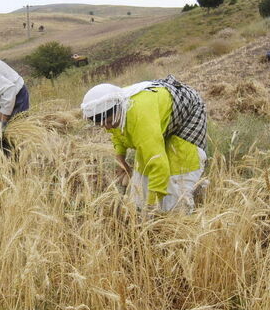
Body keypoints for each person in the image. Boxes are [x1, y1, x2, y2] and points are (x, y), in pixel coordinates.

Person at [81, 75, 207, 213]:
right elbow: (117, 131)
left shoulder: (140, 118)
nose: (107, 127)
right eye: (102, 124)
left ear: (120, 110)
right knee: (144, 168)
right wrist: (120, 155)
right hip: (155, 109)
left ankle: (194, 193)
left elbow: (159, 166)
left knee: (179, 173)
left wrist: (151, 207)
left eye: (110, 121)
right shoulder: (109, 105)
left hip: (187, 115)